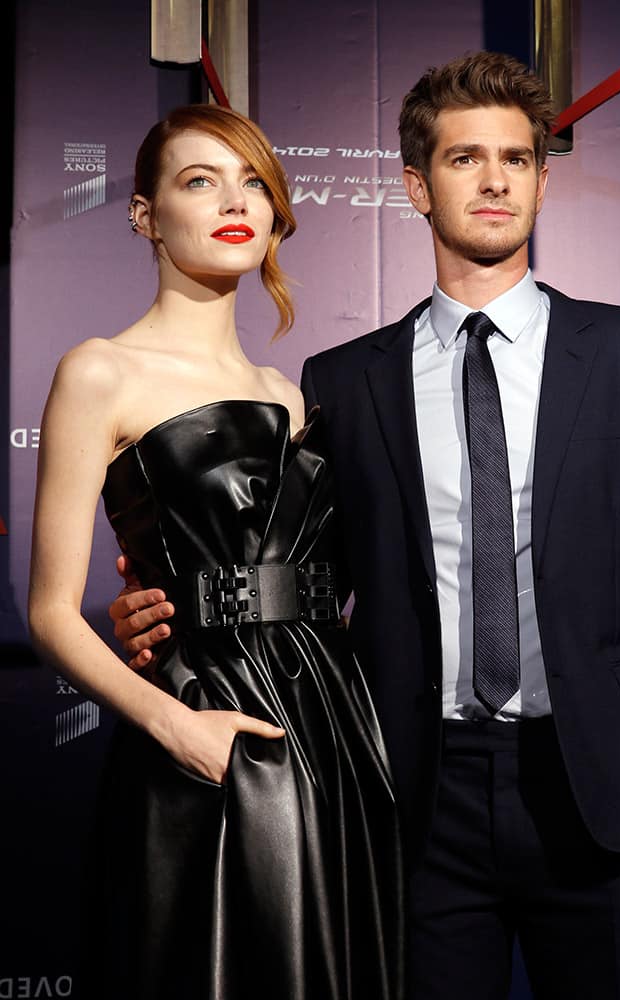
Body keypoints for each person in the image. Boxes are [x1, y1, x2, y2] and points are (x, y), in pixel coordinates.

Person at [111, 53, 620, 1000]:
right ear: (417, 185)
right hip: (410, 799)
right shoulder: (342, 381)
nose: (494, 181)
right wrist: (169, 606)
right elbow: (300, 585)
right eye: (465, 159)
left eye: (518, 160)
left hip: (604, 798)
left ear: (539, 177)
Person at [28, 104, 402, 1000]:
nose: (235, 202)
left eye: (253, 184)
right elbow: (47, 609)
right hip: (206, 715)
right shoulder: (100, 370)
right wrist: (177, 728)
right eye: (200, 181)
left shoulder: (293, 391)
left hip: (335, 722)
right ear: (145, 214)